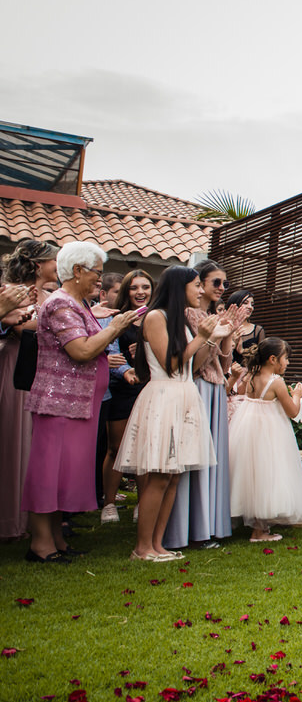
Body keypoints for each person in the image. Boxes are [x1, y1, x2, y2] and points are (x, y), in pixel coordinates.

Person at [21, 242, 141, 562]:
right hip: (59, 402)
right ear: (77, 271)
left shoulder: (79, 304)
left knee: (64, 474)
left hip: (79, 403)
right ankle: (41, 545)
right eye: (96, 273)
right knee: (48, 474)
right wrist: (114, 328)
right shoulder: (62, 304)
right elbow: (82, 350)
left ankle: (57, 539)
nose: (99, 281)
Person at [115, 265, 222, 561]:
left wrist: (210, 338)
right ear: (179, 287)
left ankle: (158, 544)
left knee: (174, 476)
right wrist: (200, 337)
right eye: (197, 285)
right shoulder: (154, 317)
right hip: (163, 397)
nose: (201, 290)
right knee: (160, 475)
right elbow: (170, 364)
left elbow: (194, 364)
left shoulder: (183, 321)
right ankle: (142, 547)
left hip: (185, 395)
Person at [164, 259, 247, 551]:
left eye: (224, 283)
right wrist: (211, 337)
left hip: (215, 390)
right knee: (194, 461)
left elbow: (223, 364)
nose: (222, 288)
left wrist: (229, 335)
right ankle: (190, 530)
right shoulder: (188, 314)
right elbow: (195, 364)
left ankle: (210, 526)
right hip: (197, 388)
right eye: (215, 283)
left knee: (213, 460)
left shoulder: (213, 314)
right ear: (197, 283)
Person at [0, 239, 58, 541]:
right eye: (53, 260)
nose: (57, 266)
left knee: (36, 444)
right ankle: (11, 520)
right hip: (17, 365)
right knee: (15, 439)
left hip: (45, 370)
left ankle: (35, 518)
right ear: (38, 264)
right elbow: (21, 327)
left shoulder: (51, 295)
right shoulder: (13, 291)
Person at [227, 338, 302, 541]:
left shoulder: (251, 376)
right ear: (273, 359)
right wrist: (297, 395)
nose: (288, 363)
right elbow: (292, 411)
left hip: (247, 428)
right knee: (268, 475)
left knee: (253, 476)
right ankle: (260, 530)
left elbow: (239, 393)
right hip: (270, 431)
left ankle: (258, 526)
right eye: (286, 358)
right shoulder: (277, 382)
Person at [100, 270, 154, 524]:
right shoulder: (115, 318)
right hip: (121, 388)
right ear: (126, 291)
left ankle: (142, 504)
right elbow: (108, 351)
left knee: (144, 451)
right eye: (134, 288)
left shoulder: (155, 319)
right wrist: (125, 371)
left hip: (149, 388)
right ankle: (108, 503)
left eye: (145, 287)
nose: (140, 292)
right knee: (116, 447)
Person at [228, 290, 265, 366]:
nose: (250, 307)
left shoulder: (258, 330)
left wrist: (243, 351)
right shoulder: (225, 326)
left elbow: (261, 359)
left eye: (252, 304)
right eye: (245, 303)